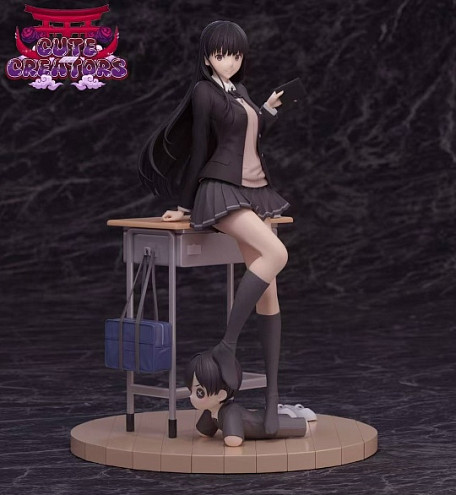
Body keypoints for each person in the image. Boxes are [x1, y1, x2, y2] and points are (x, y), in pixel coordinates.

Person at [139, 20, 289, 435]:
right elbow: (201, 146)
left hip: (255, 191)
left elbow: (249, 133)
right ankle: (227, 345)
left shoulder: (241, 92)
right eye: (222, 54)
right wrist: (185, 206)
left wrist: (267, 109)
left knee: (270, 287)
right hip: (222, 191)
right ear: (207, 57)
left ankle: (272, 400)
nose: (230, 61)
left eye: (236, 54)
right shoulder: (203, 92)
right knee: (276, 254)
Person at [185, 352, 307, 447]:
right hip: (261, 417)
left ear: (221, 395)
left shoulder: (231, 412)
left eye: (199, 392)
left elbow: (234, 439)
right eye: (191, 390)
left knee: (296, 424)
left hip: (266, 425)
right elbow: (203, 431)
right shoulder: (212, 408)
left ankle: (297, 417)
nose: (191, 396)